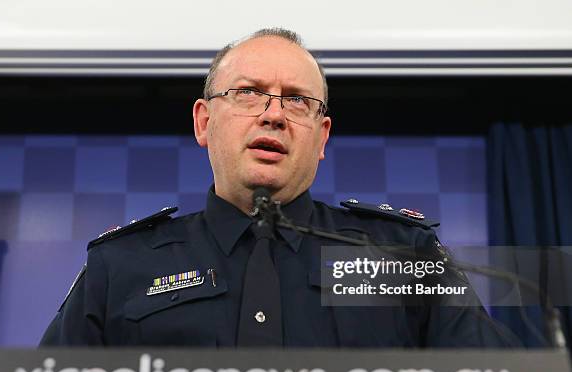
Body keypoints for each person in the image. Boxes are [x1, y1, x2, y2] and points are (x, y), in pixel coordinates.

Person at [40, 28, 519, 347]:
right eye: (248, 92)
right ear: (204, 122)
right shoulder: (121, 264)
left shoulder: (400, 251)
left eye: (297, 100)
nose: (273, 114)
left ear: (322, 135)